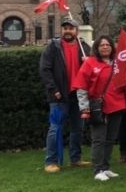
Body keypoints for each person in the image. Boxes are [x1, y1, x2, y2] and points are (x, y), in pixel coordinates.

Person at [39, 17, 92, 173]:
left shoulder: (84, 47)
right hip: (59, 95)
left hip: (79, 95)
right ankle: (51, 161)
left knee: (78, 128)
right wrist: (53, 89)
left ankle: (75, 158)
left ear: (76, 30)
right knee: (55, 128)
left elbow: (94, 67)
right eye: (65, 28)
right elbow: (45, 69)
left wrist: (88, 61)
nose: (68, 31)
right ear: (61, 30)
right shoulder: (53, 47)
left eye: (71, 28)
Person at [73, 35, 126, 181]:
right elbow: (82, 87)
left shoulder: (117, 64)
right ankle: (97, 169)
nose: (105, 47)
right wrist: (84, 108)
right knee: (99, 139)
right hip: (98, 107)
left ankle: (105, 167)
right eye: (101, 45)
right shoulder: (90, 63)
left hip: (117, 104)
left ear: (112, 47)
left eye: (108, 44)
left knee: (110, 139)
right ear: (96, 48)